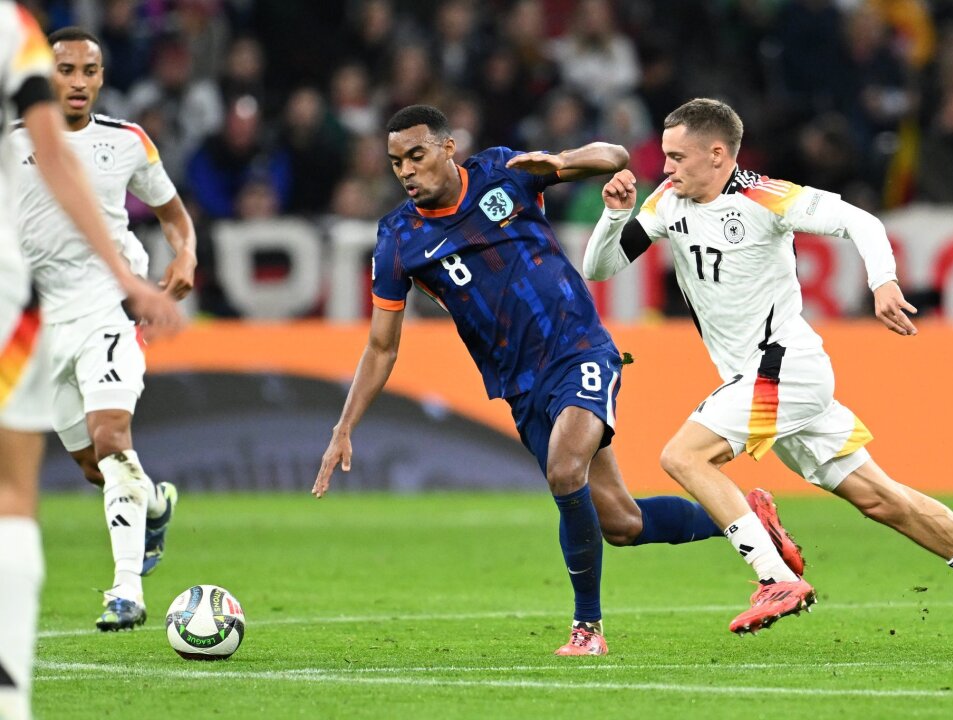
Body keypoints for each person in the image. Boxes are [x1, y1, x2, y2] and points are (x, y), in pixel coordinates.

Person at [311, 104, 804, 657]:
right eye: (396, 161)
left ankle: (588, 630)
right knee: (620, 520)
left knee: (564, 469)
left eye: (416, 155)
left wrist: (568, 162)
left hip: (579, 349)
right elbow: (382, 346)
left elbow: (612, 155)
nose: (405, 170)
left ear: (448, 149)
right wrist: (343, 427)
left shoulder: (504, 173)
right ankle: (748, 520)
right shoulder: (398, 238)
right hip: (520, 386)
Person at [583, 97, 953, 658]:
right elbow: (600, 268)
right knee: (884, 502)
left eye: (677, 157)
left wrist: (883, 281)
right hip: (762, 381)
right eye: (664, 156)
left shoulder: (765, 196)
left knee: (684, 456)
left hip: (783, 369)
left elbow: (862, 220)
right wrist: (615, 216)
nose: (665, 168)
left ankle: (772, 575)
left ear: (717, 154)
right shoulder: (666, 202)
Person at [0, 6, 181, 719]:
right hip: (36, 324)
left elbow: (171, 213)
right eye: (65, 71)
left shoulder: (128, 143)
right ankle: (156, 503)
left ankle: (126, 589)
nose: (77, 83)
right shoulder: (14, 143)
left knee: (111, 441)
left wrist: (183, 256)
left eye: (89, 71)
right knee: (89, 465)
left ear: (104, 78)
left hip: (108, 306)